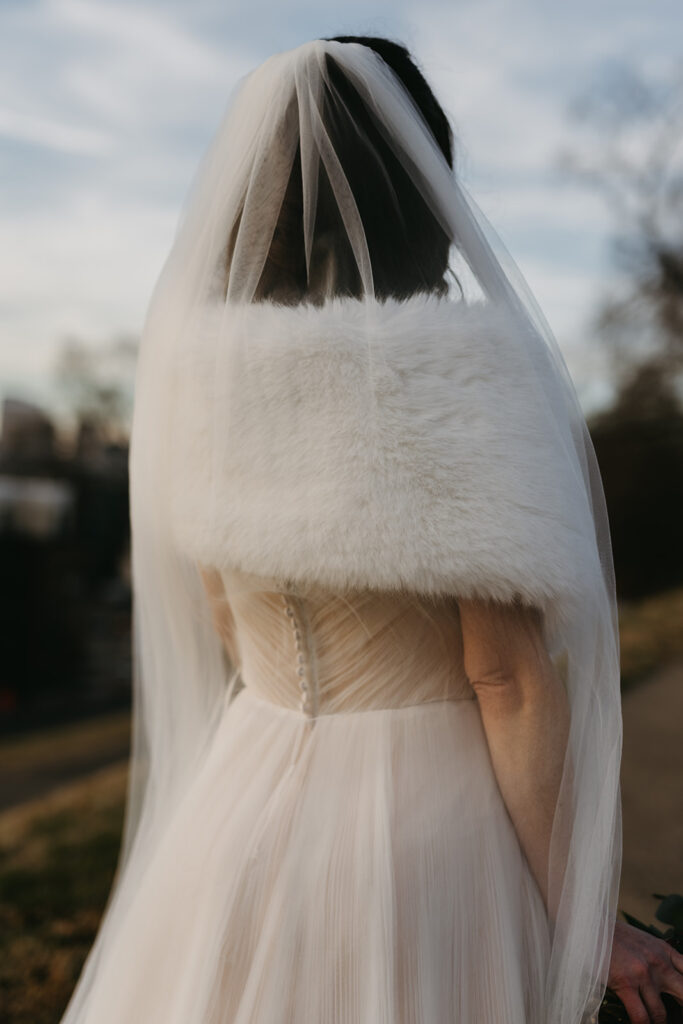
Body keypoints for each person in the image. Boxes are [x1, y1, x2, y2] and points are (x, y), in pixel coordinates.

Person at [59, 36, 683, 1024]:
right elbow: (505, 677)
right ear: (420, 183)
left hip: (242, 799)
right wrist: (587, 921)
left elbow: (219, 612)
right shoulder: (457, 371)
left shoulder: (199, 380)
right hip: (428, 836)